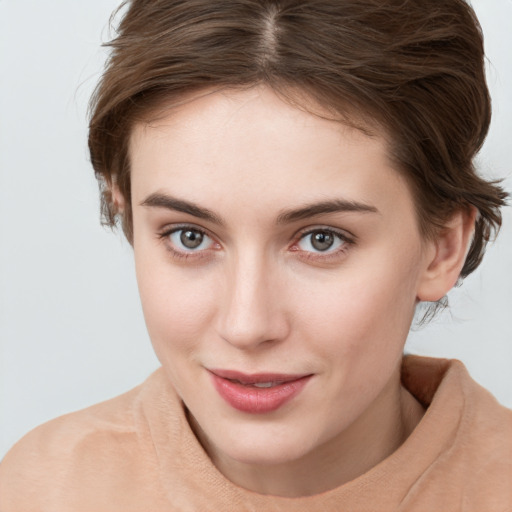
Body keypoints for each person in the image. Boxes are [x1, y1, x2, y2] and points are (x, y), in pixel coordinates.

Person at [1, 0, 511, 509]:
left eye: (321, 240)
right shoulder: (41, 490)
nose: (247, 326)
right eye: (190, 236)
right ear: (127, 215)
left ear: (442, 247)